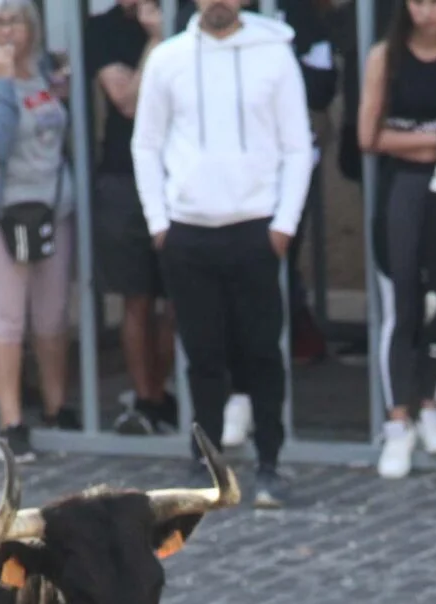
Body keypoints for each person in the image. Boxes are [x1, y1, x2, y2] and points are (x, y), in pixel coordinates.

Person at [132, 0, 314, 509]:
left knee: (262, 352)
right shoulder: (168, 59)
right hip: (188, 231)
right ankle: (204, 462)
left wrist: (283, 225)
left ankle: (270, 464)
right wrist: (159, 222)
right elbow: (145, 143)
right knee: (203, 354)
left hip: (255, 228)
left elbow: (297, 146)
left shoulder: (275, 56)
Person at [360, 0, 436, 478]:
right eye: (418, 0)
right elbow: (368, 137)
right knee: (403, 302)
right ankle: (397, 423)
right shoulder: (384, 57)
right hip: (404, 189)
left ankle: (431, 410)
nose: (428, 10)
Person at [0, 0, 75, 465]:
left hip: (51, 206)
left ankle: (56, 406)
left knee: (52, 315)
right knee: (8, 317)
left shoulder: (43, 69)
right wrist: (3, 82)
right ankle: (10, 424)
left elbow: (61, 130)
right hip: (2, 212)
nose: (7, 30)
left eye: (15, 20)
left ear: (32, 26)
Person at [87, 0, 177, 434]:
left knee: (182, 298)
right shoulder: (103, 29)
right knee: (136, 297)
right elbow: (127, 101)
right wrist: (157, 40)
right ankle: (147, 400)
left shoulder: (193, 18)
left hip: (184, 177)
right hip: (125, 177)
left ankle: (169, 392)